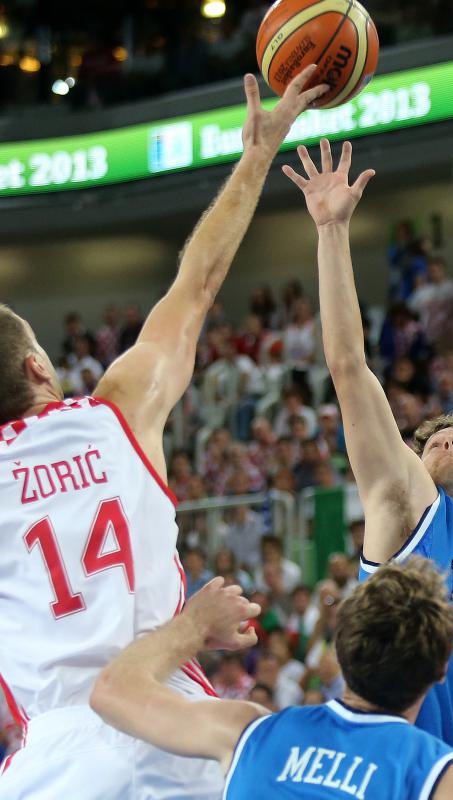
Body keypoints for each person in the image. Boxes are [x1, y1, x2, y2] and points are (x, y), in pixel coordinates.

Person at [0, 65, 328, 800]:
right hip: (167, 727)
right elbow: (198, 285)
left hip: (49, 766)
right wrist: (257, 154)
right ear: (39, 368)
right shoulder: (117, 410)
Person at [283, 137, 453, 799]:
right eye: (433, 441)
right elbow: (350, 369)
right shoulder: (409, 509)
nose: (446, 443)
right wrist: (331, 230)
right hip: (410, 780)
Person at [91, 561, 453, 799]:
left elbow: (113, 690)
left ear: (339, 648)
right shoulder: (449, 779)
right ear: (441, 669)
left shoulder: (248, 732)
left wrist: (195, 626)